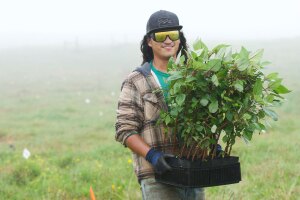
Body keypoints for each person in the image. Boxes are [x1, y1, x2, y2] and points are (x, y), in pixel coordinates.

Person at [115, 10, 205, 199]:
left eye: (173, 34)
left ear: (179, 39)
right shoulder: (136, 80)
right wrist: (153, 157)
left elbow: (204, 121)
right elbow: (125, 130)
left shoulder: (193, 78)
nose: (167, 40)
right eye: (160, 35)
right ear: (149, 41)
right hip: (158, 177)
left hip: (193, 171)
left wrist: (212, 147)